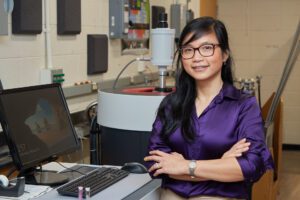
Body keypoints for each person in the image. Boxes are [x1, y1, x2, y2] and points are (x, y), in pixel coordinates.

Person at [144, 17, 274, 200]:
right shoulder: (171, 105)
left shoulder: (244, 106)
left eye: (207, 48)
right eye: (188, 50)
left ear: (225, 54)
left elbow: (252, 166)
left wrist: (186, 166)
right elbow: (156, 165)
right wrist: (222, 164)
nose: (197, 57)